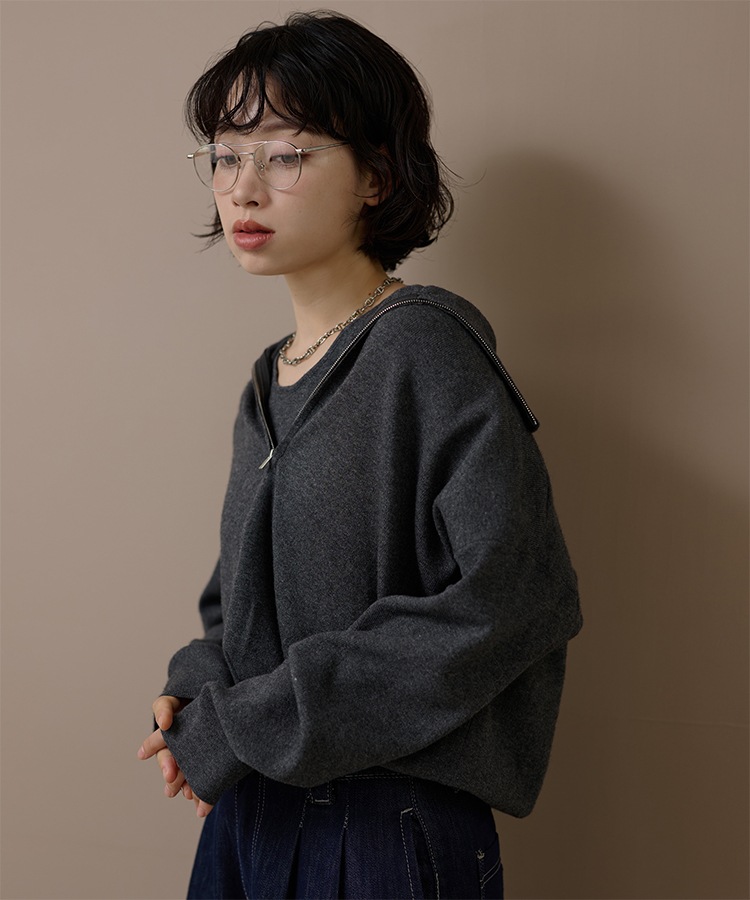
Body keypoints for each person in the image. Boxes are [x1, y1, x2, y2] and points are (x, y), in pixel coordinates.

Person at [137, 11, 582, 899]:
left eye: (285, 154)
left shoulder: (424, 350)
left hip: (382, 828)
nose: (242, 189)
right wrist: (199, 687)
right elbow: (236, 604)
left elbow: (515, 596)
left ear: (376, 175)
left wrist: (251, 722)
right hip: (248, 817)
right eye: (224, 155)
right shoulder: (268, 381)